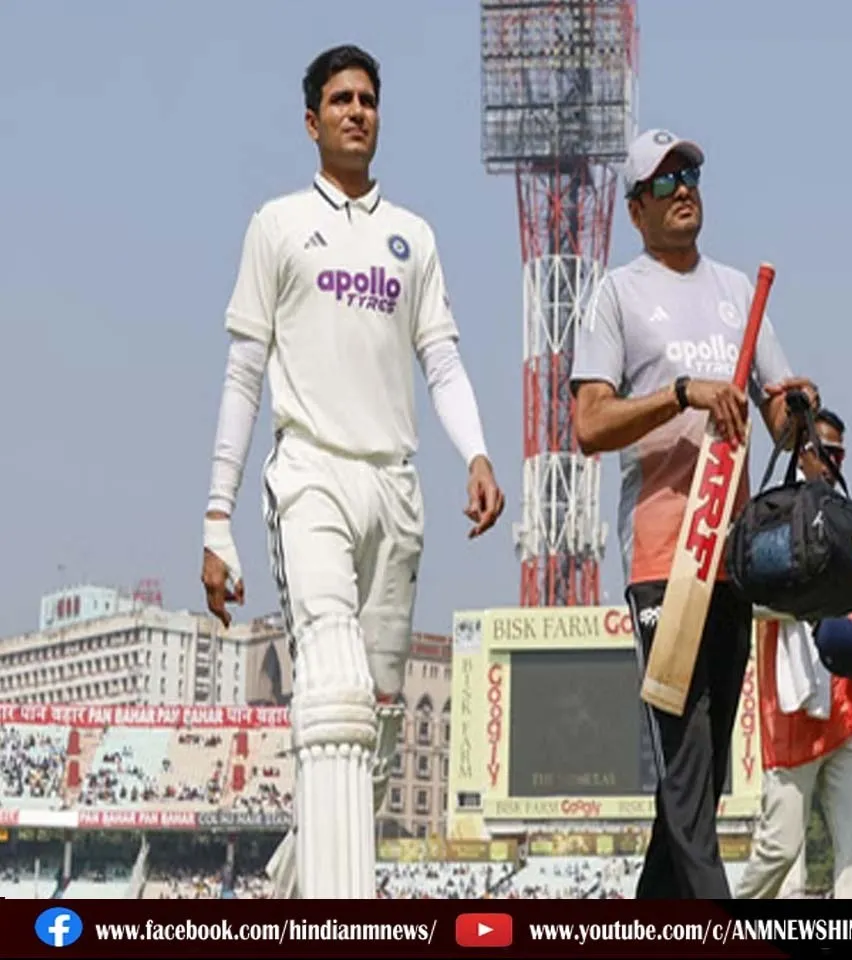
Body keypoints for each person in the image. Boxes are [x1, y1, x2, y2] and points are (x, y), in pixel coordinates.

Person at [200, 45, 504, 899]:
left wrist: (476, 451)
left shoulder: (416, 238)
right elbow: (242, 373)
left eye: (368, 99)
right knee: (330, 685)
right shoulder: (279, 224)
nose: (356, 111)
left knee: (371, 731)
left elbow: (440, 360)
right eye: (340, 99)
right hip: (311, 473)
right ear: (312, 121)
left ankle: (287, 897)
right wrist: (216, 518)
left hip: (395, 485)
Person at [570, 128, 819, 899]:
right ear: (637, 207)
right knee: (684, 761)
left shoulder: (740, 292)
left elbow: (779, 414)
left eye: (694, 173)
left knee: (702, 774)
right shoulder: (617, 295)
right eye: (667, 179)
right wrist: (682, 392)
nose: (685, 188)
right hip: (662, 561)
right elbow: (588, 424)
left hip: (732, 554)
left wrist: (798, 409)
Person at [737, 409, 852, 900]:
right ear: (804, 453)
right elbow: (751, 598)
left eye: (841, 454)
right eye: (828, 452)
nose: (835, 463)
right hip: (792, 711)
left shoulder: (847, 519)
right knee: (782, 855)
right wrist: (808, 605)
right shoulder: (770, 516)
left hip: (842, 709)